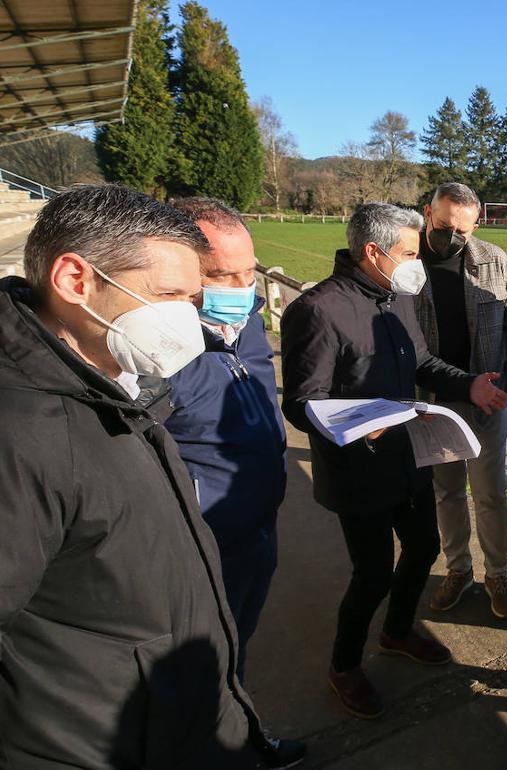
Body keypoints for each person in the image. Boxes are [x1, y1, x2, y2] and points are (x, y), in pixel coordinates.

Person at [0, 184, 265, 767]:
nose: (187, 319)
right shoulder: (20, 432)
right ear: (76, 281)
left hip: (184, 717)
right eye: (169, 294)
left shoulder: (117, 380)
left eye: (193, 298)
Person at [281, 203, 507, 720]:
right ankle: (344, 665)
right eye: (409, 252)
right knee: (373, 572)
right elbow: (300, 402)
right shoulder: (318, 310)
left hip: (407, 456)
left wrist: (467, 383)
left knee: (425, 544)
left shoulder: (397, 297)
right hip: (357, 470)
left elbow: (422, 361)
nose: (417, 262)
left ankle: (397, 631)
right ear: (372, 252)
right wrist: (360, 424)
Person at [134, 197, 302, 767]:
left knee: (236, 651)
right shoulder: (149, 350)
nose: (242, 285)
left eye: (248, 269)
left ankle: (241, 735)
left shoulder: (244, 316)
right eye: (222, 275)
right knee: (193, 669)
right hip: (201, 551)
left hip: (257, 525)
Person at [415, 183, 507, 620]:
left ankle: (497, 574)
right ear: (427, 213)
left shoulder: (494, 261)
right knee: (446, 493)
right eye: (444, 225)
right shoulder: (408, 261)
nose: (453, 236)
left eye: (462, 229)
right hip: (431, 403)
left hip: (485, 403)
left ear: (476, 224)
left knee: (490, 494)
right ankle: (458, 570)